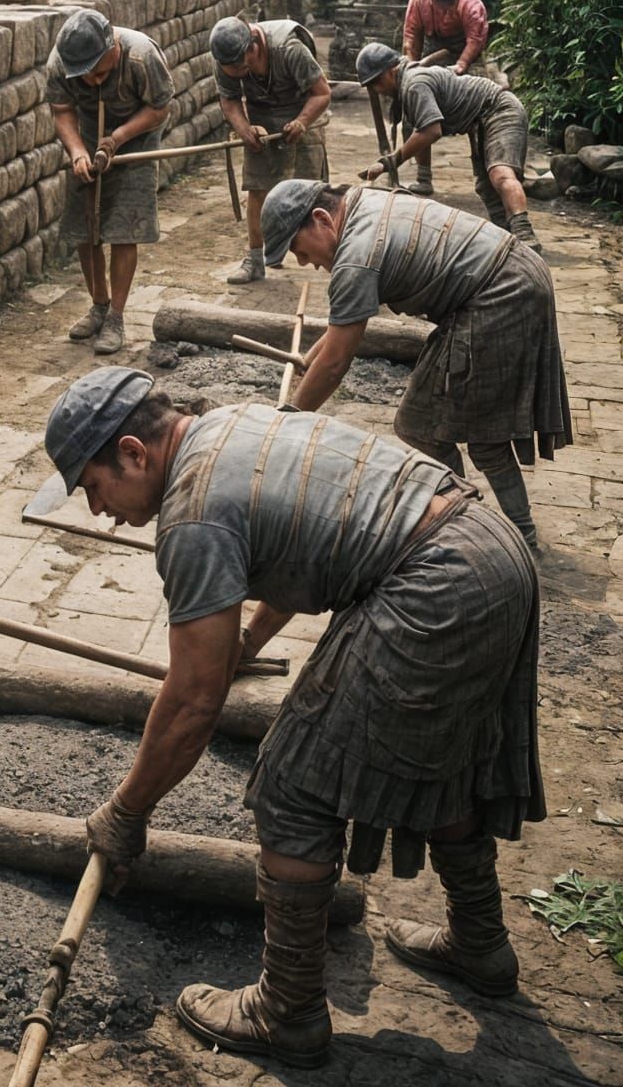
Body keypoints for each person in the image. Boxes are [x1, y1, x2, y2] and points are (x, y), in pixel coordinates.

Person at [48, 367, 542, 1068]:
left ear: (132, 452)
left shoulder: (191, 515)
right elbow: (302, 547)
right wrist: (246, 643)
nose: (97, 511)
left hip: (437, 581)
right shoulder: (231, 425)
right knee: (446, 753)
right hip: (489, 548)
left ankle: (289, 1012)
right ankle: (482, 946)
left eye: (93, 488)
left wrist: (127, 813)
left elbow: (193, 701)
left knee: (291, 785)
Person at [261, 176, 570, 552]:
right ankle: (481, 521)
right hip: (514, 272)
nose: (305, 262)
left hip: (501, 293)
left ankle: (502, 533)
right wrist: (312, 358)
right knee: (439, 426)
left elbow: (336, 361)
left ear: (322, 219)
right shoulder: (362, 201)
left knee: (450, 429)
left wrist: (286, 422)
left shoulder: (356, 255)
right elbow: (340, 332)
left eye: (298, 249)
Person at [47, 8, 172, 356]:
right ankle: (98, 304)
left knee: (123, 227)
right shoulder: (61, 61)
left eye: (98, 72)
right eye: (84, 76)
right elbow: (62, 111)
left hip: (136, 136)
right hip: (86, 136)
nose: (92, 82)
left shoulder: (141, 56)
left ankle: (116, 315)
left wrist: (118, 137)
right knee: (85, 228)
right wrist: (76, 152)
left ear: (112, 49)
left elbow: (160, 108)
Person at [355, 42, 541, 249]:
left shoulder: (414, 83)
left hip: (499, 109)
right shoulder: (409, 80)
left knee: (501, 174)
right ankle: (508, 236)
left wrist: (389, 162)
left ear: (391, 71)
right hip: (478, 120)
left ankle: (525, 235)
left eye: (377, 82)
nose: (378, 90)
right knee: (485, 186)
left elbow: (430, 131)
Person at [210, 16, 330, 285]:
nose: (234, 71)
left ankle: (334, 258)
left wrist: (302, 122)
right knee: (258, 187)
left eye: (240, 67)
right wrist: (244, 129)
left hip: (303, 109)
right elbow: (229, 100)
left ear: (252, 48)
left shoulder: (289, 49)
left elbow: (322, 93)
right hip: (260, 116)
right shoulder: (224, 57)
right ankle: (256, 259)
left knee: (312, 191)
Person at [399, 0, 490, 195]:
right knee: (413, 111)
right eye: (439, 0)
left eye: (449, 1)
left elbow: (476, 40)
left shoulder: (472, 6)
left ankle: (483, 177)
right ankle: (423, 177)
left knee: (481, 114)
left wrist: (461, 65)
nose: (444, 6)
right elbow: (411, 35)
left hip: (467, 53)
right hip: (433, 49)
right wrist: (413, 67)